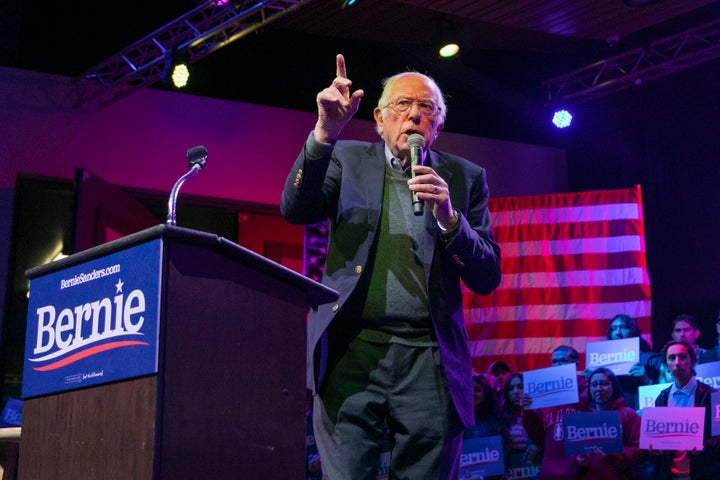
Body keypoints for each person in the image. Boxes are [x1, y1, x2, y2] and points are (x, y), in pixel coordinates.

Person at [280, 54, 502, 479]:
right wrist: (324, 132)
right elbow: (295, 208)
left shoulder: (465, 177)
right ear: (379, 119)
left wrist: (450, 220)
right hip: (352, 350)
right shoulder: (345, 158)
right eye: (402, 105)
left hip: (430, 356)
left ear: (437, 126)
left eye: (427, 108)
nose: (414, 114)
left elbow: (487, 275)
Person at [649, 340, 720, 479]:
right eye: (671, 358)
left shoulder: (712, 395)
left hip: (703, 472)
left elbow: (718, 438)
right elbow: (659, 440)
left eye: (682, 357)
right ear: (666, 365)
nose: (677, 362)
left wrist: (705, 447)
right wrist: (655, 449)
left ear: (692, 361)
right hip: (670, 474)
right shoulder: (661, 398)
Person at [522, 345, 590, 479]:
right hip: (552, 465)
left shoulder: (588, 386)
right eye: (554, 361)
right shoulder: (541, 391)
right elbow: (537, 433)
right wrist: (527, 411)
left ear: (576, 364)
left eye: (563, 361)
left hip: (582, 464)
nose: (557, 364)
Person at [574, 367, 644, 480]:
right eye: (594, 384)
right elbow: (580, 453)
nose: (598, 389)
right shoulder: (584, 418)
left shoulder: (628, 415)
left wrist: (613, 455)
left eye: (603, 384)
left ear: (614, 386)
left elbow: (641, 450)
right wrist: (579, 461)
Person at [604, 313, 659, 409]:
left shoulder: (652, 360)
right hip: (611, 416)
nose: (618, 332)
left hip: (640, 414)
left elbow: (665, 393)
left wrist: (647, 380)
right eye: (613, 329)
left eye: (624, 327)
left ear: (634, 332)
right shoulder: (602, 362)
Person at [462, 373, 510, 480]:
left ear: (485, 394)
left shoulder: (496, 422)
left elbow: (504, 450)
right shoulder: (455, 423)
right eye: (469, 389)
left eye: (478, 390)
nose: (473, 394)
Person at [502, 373, 542, 475]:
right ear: (506, 393)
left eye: (520, 387)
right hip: (510, 471)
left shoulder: (539, 413)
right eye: (511, 388)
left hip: (534, 469)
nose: (516, 392)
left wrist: (538, 445)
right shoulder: (499, 416)